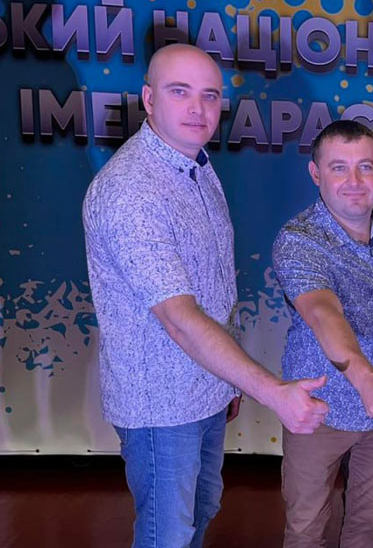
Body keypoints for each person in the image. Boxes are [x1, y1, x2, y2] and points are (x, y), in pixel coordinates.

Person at [82, 43, 329, 548]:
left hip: (205, 390)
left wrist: (225, 383)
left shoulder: (194, 165)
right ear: (149, 99)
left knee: (200, 512)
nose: (198, 109)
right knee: (168, 534)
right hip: (161, 405)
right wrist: (273, 393)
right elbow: (179, 318)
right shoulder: (131, 190)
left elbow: (213, 287)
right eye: (180, 92)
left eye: (210, 95)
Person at [271, 120, 373, 548]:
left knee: (367, 527)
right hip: (321, 410)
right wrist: (366, 380)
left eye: (365, 167)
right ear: (316, 174)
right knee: (306, 530)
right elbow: (322, 313)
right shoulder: (298, 240)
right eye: (338, 168)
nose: (354, 182)